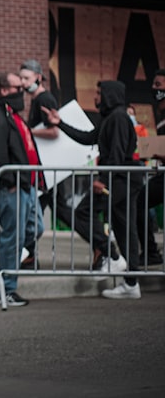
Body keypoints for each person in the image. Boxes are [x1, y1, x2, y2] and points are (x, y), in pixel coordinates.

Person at [41, 81, 141, 299]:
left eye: (99, 93)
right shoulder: (110, 118)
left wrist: (104, 180)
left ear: (110, 95)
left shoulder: (118, 118)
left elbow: (115, 153)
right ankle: (131, 283)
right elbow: (88, 138)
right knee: (124, 227)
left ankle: (112, 257)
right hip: (121, 179)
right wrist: (60, 123)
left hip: (119, 180)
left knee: (84, 212)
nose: (96, 96)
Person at [0, 72, 44, 307]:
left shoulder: (11, 115)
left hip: (25, 184)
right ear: (3, 90)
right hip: (11, 186)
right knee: (13, 238)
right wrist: (9, 182)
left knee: (34, 228)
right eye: (18, 88)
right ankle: (7, 290)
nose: (22, 92)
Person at [19, 59, 59, 266]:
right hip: (42, 168)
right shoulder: (37, 100)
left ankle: (104, 248)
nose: (24, 83)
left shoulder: (45, 98)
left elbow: (54, 131)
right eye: (22, 79)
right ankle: (28, 255)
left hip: (46, 168)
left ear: (38, 77)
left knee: (40, 213)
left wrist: (29, 132)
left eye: (27, 78)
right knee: (34, 213)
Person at [133, 71, 165, 266]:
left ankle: (151, 251)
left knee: (139, 200)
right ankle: (150, 251)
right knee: (139, 200)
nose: (155, 89)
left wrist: (155, 152)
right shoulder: (161, 117)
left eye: (158, 84)